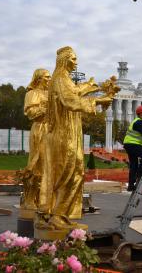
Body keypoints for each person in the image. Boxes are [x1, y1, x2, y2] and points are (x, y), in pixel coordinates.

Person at [44, 46, 113, 230]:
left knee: (74, 172)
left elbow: (73, 92)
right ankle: (57, 215)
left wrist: (91, 87)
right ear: (64, 60)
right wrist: (97, 100)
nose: (76, 62)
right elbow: (70, 100)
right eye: (73, 59)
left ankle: (61, 213)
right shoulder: (59, 79)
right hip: (64, 134)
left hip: (70, 132)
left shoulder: (63, 79)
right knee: (68, 172)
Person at [20, 68, 51, 217]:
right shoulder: (31, 94)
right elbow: (31, 114)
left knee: (50, 165)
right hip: (40, 130)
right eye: (46, 77)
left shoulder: (50, 94)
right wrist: (47, 107)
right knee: (37, 163)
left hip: (53, 131)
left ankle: (45, 199)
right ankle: (30, 199)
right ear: (38, 78)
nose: (49, 79)